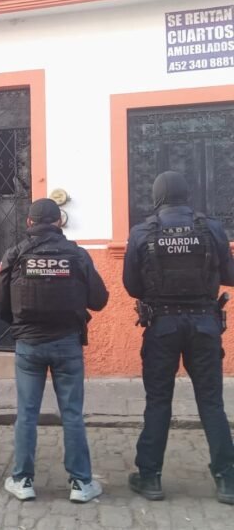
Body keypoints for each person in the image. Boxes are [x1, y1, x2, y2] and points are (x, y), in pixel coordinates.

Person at [123, 170, 234, 504]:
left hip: (162, 325)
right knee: (211, 402)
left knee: (158, 401)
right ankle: (227, 480)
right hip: (204, 324)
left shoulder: (143, 231)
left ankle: (150, 478)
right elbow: (230, 274)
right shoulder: (211, 228)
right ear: (187, 193)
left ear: (157, 196)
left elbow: (132, 285)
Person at [0, 198, 109, 502]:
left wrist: (22, 324)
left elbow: (2, 305)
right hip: (67, 343)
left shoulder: (15, 254)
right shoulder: (77, 255)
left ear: (29, 223)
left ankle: (22, 480)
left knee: (26, 414)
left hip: (29, 345)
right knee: (72, 414)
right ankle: (81, 484)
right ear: (59, 222)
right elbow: (99, 300)